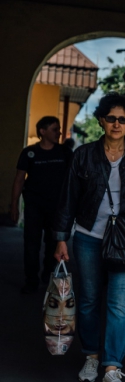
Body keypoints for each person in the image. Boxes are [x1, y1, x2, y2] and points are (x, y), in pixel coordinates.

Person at [53, 92, 125, 382]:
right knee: (88, 301)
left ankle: (112, 368)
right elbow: (68, 197)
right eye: (111, 118)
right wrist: (61, 237)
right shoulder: (84, 155)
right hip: (88, 236)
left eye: (123, 119)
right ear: (101, 120)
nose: (117, 124)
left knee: (118, 303)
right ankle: (91, 356)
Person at [11, 116, 73, 293]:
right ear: (42, 131)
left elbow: (73, 179)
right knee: (31, 244)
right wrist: (14, 205)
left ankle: (48, 273)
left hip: (57, 208)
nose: (58, 133)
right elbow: (19, 179)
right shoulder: (29, 153)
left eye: (58, 129)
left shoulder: (65, 152)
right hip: (34, 207)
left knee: (53, 244)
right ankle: (31, 281)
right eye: (54, 129)